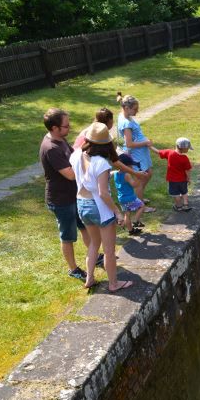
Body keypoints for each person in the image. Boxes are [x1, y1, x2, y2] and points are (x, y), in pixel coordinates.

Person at [71, 122, 133, 292]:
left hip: (82, 204)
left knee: (93, 244)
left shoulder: (76, 154)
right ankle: (113, 284)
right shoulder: (102, 163)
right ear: (106, 144)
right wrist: (117, 212)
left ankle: (89, 278)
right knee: (109, 250)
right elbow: (103, 193)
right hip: (99, 207)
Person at [40, 108, 97, 281]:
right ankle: (73, 269)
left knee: (85, 226)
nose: (69, 129)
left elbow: (74, 155)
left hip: (74, 195)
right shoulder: (51, 148)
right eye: (66, 126)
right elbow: (70, 174)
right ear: (55, 128)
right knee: (67, 236)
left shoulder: (61, 139)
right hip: (61, 200)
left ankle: (95, 255)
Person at [117, 92, 155, 212]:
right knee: (140, 179)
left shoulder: (125, 116)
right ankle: (140, 206)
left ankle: (139, 197)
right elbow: (129, 144)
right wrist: (145, 142)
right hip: (136, 154)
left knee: (149, 173)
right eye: (135, 109)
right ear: (127, 108)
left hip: (141, 153)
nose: (137, 111)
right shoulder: (126, 123)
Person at [151, 137, 194, 212]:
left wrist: (150, 147)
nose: (188, 150)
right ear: (182, 148)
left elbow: (158, 152)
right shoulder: (184, 158)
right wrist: (188, 178)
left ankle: (178, 206)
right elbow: (187, 170)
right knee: (184, 192)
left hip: (172, 180)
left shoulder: (169, 152)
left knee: (176, 194)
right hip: (183, 179)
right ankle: (186, 204)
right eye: (187, 148)